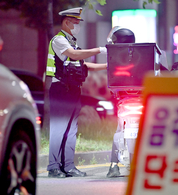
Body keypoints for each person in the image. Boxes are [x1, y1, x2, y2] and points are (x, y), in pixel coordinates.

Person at [45, 7, 107, 178]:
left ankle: (69, 166)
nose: (78, 26)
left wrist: (109, 65)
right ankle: (53, 167)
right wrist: (98, 50)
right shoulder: (59, 41)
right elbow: (73, 55)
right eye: (76, 23)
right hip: (61, 89)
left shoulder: (73, 43)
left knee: (71, 130)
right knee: (59, 129)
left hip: (73, 90)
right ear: (67, 22)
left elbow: (85, 65)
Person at [105, 27, 136, 178]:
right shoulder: (143, 56)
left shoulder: (115, 59)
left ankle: (113, 166)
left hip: (124, 101)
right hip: (140, 100)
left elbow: (111, 84)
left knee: (119, 131)